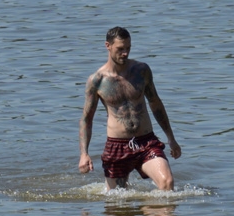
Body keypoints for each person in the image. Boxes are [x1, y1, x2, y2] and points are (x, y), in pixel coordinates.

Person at [78, 26, 182, 191]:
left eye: (128, 48)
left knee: (167, 184)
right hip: (117, 146)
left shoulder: (141, 71)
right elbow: (86, 118)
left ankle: (154, 215)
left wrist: (171, 138)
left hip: (146, 141)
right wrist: (84, 153)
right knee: (117, 204)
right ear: (108, 46)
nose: (125, 53)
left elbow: (155, 103)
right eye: (120, 49)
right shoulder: (97, 81)